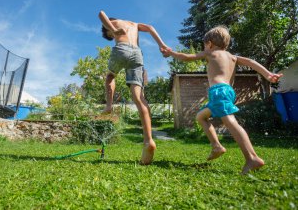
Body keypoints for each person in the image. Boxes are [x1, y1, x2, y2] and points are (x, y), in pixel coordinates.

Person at [161, 26, 282, 174]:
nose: (205, 47)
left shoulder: (210, 53)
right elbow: (251, 62)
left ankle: (252, 158)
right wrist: (268, 74)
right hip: (227, 92)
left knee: (230, 122)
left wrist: (171, 52)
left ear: (209, 43)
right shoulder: (233, 57)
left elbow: (187, 57)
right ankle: (216, 146)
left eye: (205, 45)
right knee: (201, 117)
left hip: (219, 92)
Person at [98, 10, 168, 165]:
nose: (112, 37)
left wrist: (114, 31)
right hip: (137, 54)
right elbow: (150, 27)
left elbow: (101, 14)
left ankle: (108, 106)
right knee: (139, 98)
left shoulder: (114, 24)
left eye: (110, 36)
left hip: (122, 49)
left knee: (110, 76)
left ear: (108, 28)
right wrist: (162, 45)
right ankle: (148, 140)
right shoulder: (135, 24)